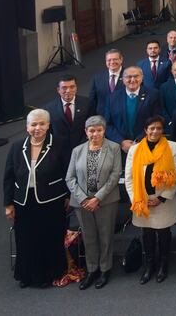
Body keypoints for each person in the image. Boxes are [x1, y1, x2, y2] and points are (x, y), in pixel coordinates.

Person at [4, 109, 68, 288]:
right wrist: (8, 204)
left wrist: (68, 195)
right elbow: (9, 176)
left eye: (41, 124)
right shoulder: (17, 147)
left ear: (48, 125)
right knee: (25, 239)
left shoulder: (59, 144)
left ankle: (48, 275)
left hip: (51, 200)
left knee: (48, 238)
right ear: (26, 127)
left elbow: (67, 173)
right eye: (33, 124)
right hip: (23, 201)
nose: (37, 128)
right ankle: (26, 275)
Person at [124, 115, 176, 284]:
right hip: (142, 201)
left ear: (162, 130)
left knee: (164, 233)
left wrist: (162, 198)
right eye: (152, 128)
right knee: (147, 233)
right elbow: (128, 177)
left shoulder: (172, 147)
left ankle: (163, 265)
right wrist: (136, 198)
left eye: (158, 128)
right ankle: (149, 266)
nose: (155, 131)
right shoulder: (135, 150)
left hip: (163, 200)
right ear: (145, 130)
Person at [66, 116, 121, 289]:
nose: (95, 134)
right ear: (86, 131)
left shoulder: (114, 148)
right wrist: (83, 199)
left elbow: (115, 175)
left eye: (99, 130)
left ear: (104, 130)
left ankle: (105, 269)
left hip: (106, 201)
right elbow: (70, 177)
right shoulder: (77, 150)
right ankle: (92, 270)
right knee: (89, 237)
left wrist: (97, 198)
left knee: (105, 236)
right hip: (82, 203)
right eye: (91, 130)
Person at [105, 66, 162, 155]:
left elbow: (157, 120)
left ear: (142, 78)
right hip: (120, 148)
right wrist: (122, 142)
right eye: (129, 77)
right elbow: (108, 124)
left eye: (136, 76)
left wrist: (139, 140)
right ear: (123, 79)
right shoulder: (112, 98)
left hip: (146, 145)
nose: (132, 80)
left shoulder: (153, 94)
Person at [45, 74, 90, 155]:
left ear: (76, 88)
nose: (68, 90)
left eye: (72, 87)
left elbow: (91, 125)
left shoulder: (87, 103)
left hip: (83, 148)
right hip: (59, 152)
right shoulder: (49, 109)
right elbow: (49, 132)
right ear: (58, 90)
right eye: (64, 88)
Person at [88, 49, 124, 116]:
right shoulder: (97, 77)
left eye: (115, 59)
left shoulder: (129, 75)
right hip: (103, 116)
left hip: (123, 116)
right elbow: (92, 100)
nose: (112, 62)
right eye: (109, 60)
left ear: (121, 59)